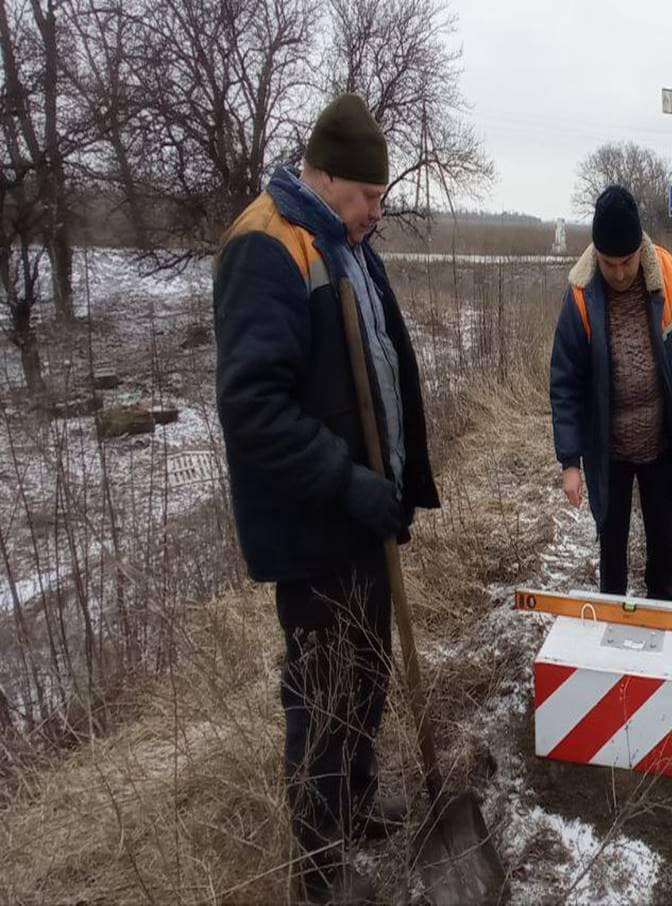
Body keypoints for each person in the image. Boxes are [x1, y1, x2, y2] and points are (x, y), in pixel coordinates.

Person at [215, 94, 439, 902]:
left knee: (368, 671)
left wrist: (400, 484)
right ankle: (316, 868)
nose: (376, 214)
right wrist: (348, 483)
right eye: (369, 198)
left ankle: (354, 802)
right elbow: (253, 406)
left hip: (361, 515)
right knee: (321, 693)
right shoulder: (268, 248)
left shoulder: (343, 242)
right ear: (328, 175)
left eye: (380, 201)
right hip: (313, 524)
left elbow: (377, 363)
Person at [550, 185, 672, 600]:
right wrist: (570, 461)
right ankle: (611, 623)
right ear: (596, 255)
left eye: (626, 262)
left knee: (663, 545)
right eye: (609, 263)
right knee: (613, 546)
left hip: (659, 441)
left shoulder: (669, 279)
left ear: (640, 247)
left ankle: (661, 618)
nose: (619, 273)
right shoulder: (581, 295)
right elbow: (565, 382)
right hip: (609, 448)